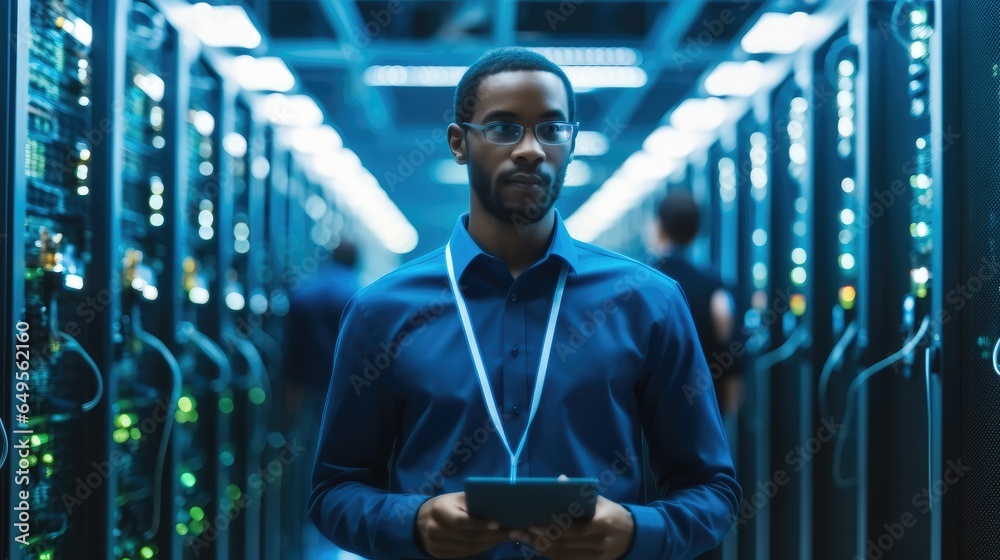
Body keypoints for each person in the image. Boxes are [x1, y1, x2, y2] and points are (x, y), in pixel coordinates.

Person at [309, 47, 740, 560]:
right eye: (504, 128)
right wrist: (416, 523)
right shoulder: (381, 310)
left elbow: (713, 490)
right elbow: (333, 491)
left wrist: (632, 530)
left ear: (573, 144)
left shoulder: (649, 303)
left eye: (552, 130)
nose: (532, 149)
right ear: (458, 143)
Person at [651, 191, 745, 416]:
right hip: (704, 409)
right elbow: (730, 350)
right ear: (695, 233)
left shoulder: (641, 282)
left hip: (651, 411)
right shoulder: (713, 286)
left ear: (659, 227)